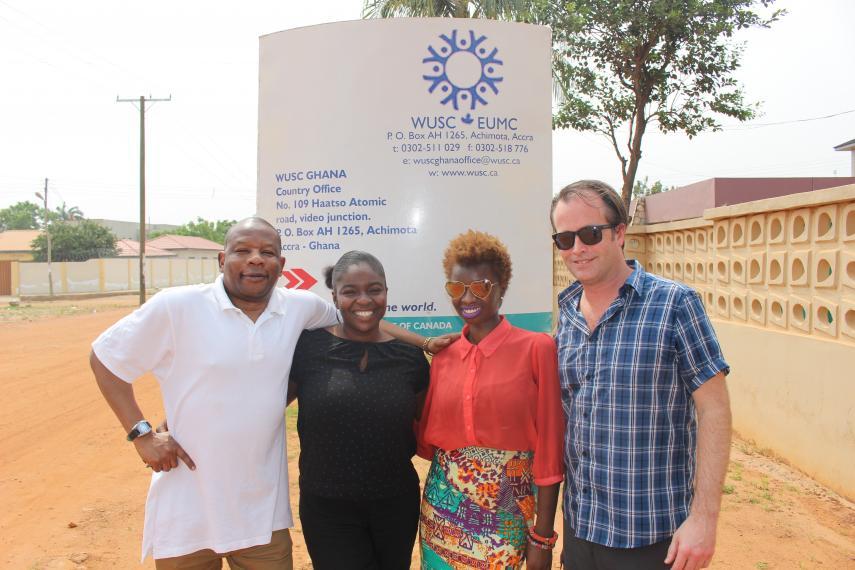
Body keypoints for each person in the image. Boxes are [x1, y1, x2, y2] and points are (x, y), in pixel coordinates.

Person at [90, 217, 448, 569]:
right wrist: (142, 433)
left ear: (281, 265)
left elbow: (362, 316)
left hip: (261, 515)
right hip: (187, 509)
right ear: (221, 260)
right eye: (242, 250)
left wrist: (425, 343)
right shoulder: (176, 305)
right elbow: (105, 359)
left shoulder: (299, 307)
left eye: (267, 251)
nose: (255, 259)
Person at [550, 180, 732, 570]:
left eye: (590, 234)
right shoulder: (564, 316)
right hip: (581, 532)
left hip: (653, 539)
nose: (577, 249)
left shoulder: (675, 304)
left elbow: (714, 410)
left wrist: (704, 518)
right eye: (565, 239)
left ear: (620, 233)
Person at [416, 230, 565, 570]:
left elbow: (550, 447)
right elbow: (427, 442)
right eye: (456, 288)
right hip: (442, 507)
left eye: (480, 286)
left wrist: (542, 536)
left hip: (509, 510)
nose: (467, 296)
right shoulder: (444, 356)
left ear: (501, 288)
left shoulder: (536, 348)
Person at [287, 251, 429, 570]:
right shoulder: (308, 348)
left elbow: (428, 422)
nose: (364, 299)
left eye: (374, 289)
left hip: (396, 505)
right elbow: (263, 404)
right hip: (327, 508)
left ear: (386, 293)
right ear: (334, 297)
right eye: (350, 291)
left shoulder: (410, 357)